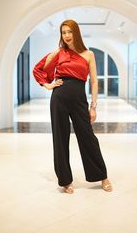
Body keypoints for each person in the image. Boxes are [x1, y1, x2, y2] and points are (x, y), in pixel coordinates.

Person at [33, 19, 112, 194]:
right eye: (63, 32)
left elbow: (94, 82)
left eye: (69, 32)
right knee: (60, 139)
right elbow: (38, 69)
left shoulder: (88, 54)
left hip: (79, 99)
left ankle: (102, 175)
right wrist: (47, 85)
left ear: (76, 32)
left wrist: (93, 106)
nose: (67, 36)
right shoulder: (58, 53)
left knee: (88, 137)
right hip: (59, 98)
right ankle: (65, 181)